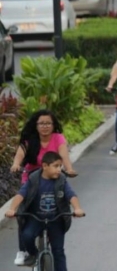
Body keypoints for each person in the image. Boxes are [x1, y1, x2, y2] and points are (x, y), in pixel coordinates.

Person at [10, 111, 76, 267]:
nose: (45, 126)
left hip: (53, 180)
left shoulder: (58, 138)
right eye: (41, 123)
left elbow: (64, 155)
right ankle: (24, 251)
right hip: (32, 181)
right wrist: (15, 165)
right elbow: (19, 156)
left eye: (48, 123)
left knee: (55, 207)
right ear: (36, 125)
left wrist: (69, 168)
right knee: (23, 212)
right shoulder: (29, 140)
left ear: (53, 125)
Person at [5, 151, 85, 270]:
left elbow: (71, 195)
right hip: (35, 218)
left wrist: (77, 208)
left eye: (60, 166)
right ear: (44, 166)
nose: (59, 169)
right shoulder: (34, 179)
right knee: (26, 235)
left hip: (55, 220)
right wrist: (11, 209)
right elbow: (21, 195)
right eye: (56, 166)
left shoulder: (61, 180)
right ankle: (33, 253)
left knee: (58, 251)